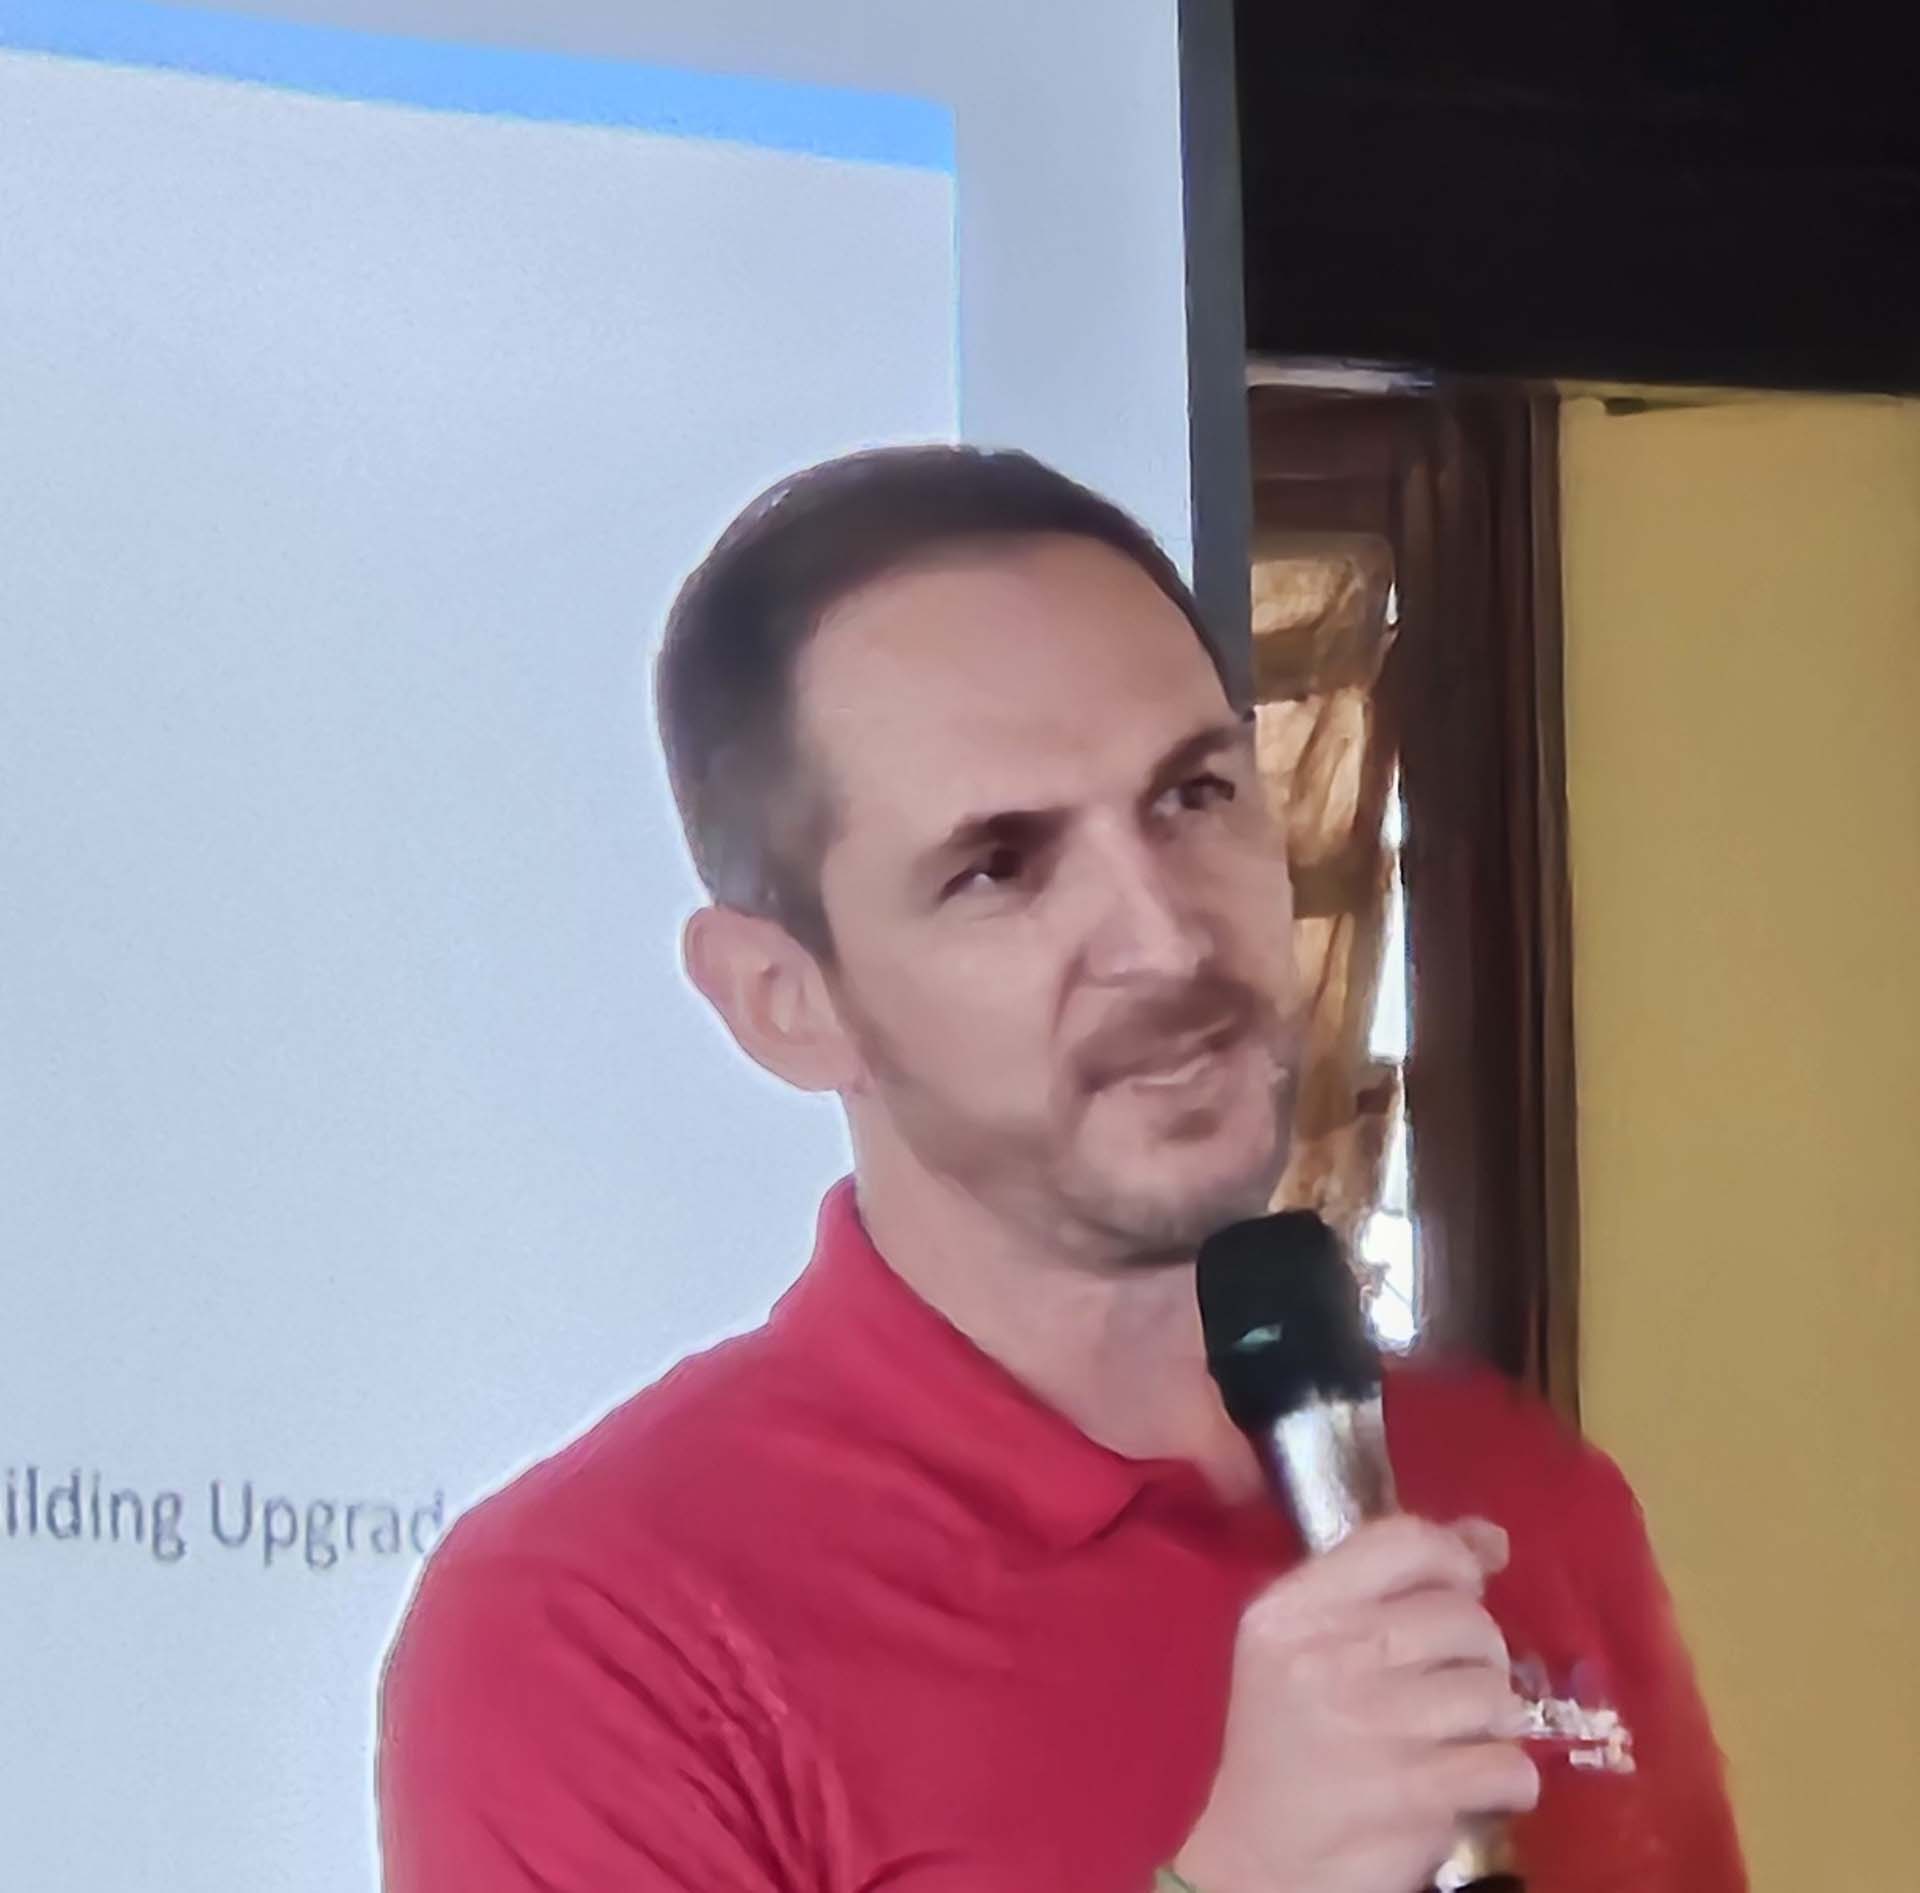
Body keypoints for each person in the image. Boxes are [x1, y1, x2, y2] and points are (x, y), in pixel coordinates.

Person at [377, 446, 1745, 1893]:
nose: (1166, 937)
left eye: (1194, 793)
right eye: (1000, 867)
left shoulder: (1519, 1490)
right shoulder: (598, 1630)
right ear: (785, 1000)